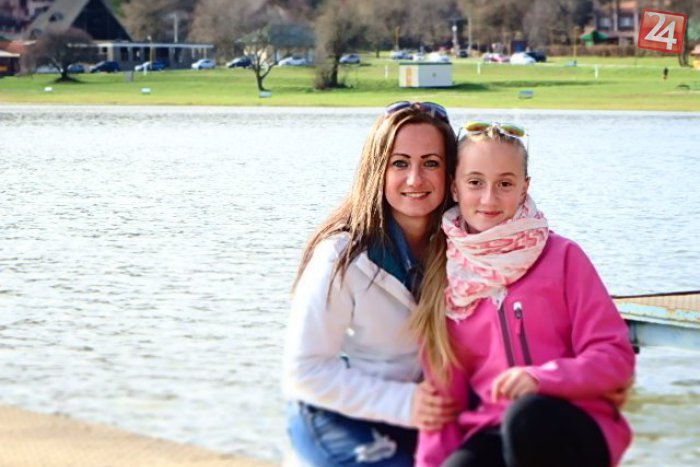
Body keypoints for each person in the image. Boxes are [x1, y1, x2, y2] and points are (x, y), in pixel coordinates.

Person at [411, 122, 636, 467]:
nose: (489, 198)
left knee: (527, 417)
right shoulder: (445, 276)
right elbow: (443, 401)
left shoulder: (563, 257)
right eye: (475, 182)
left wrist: (541, 379)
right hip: (494, 427)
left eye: (504, 183)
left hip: (573, 421)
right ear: (455, 187)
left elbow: (614, 357)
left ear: (524, 188)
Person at [283, 101, 461, 466]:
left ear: (450, 173)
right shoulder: (340, 256)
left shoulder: (465, 249)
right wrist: (405, 404)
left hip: (422, 414)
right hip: (335, 412)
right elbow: (305, 372)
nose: (415, 179)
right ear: (377, 169)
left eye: (431, 163)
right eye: (400, 163)